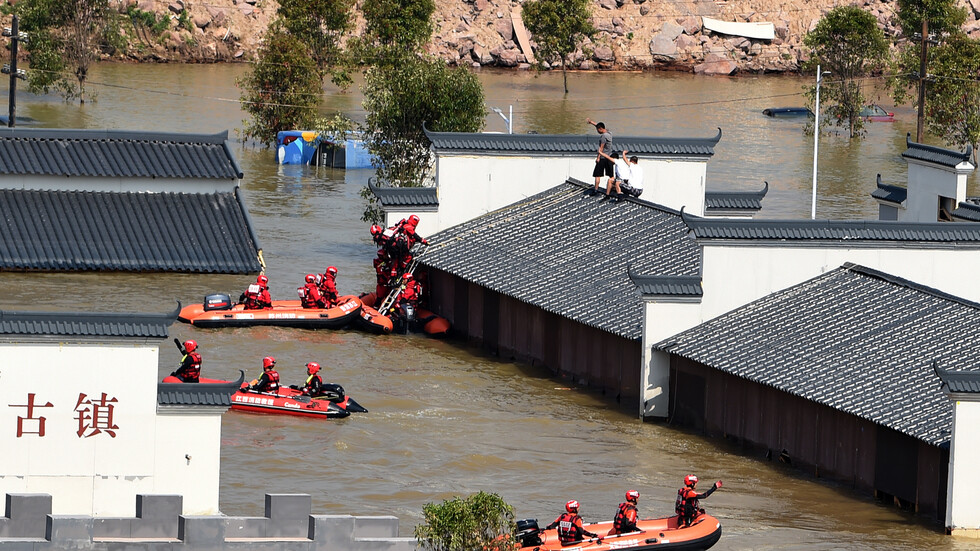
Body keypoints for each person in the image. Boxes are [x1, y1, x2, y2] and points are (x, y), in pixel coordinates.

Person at [586, 118, 613, 196]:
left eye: (597, 130)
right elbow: (599, 126)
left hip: (602, 158)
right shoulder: (609, 133)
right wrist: (592, 123)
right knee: (611, 175)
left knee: (597, 174)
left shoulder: (603, 137)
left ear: (600, 129)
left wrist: (598, 158)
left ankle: (596, 190)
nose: (597, 131)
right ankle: (611, 189)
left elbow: (601, 148)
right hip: (609, 157)